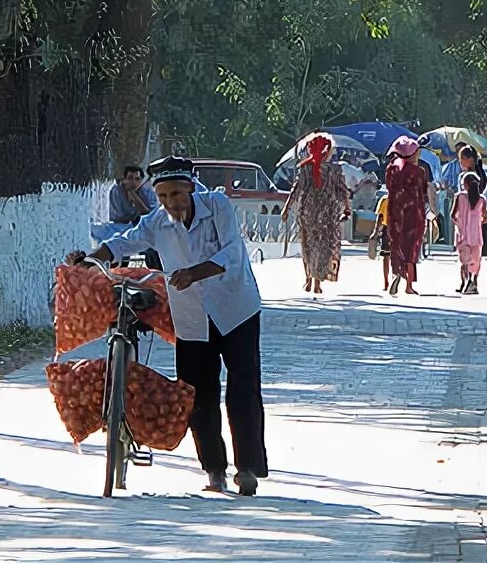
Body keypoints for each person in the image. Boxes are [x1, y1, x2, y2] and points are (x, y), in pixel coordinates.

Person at [66, 155, 267, 496]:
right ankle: (214, 470)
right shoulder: (157, 221)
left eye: (176, 195)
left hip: (236, 310)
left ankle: (247, 467)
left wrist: (195, 273)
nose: (171, 204)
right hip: (191, 319)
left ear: (191, 188)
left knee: (243, 387)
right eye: (163, 197)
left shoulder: (217, 205)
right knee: (196, 394)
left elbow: (233, 252)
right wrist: (90, 259)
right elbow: (124, 241)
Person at [281, 133, 351, 295]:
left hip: (307, 213)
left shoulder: (304, 167)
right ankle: (317, 282)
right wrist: (346, 208)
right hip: (328, 214)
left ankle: (308, 278)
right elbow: (342, 191)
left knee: (308, 245)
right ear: (328, 151)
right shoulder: (335, 170)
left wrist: (286, 208)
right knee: (324, 247)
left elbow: (296, 190)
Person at [385, 136, 428, 296]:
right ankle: (409, 285)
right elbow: (423, 191)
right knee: (412, 248)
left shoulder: (391, 169)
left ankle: (396, 274)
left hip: (395, 211)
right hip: (414, 213)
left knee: (396, 244)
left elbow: (389, 187)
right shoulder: (419, 172)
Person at [452, 172, 487, 295]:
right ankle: (474, 282)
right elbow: (485, 218)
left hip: (462, 235)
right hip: (476, 235)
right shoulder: (482, 199)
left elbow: (453, 215)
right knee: (476, 260)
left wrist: (460, 223)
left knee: (464, 262)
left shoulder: (459, 197)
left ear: (465, 185)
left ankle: (464, 283)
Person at [371, 191, 391, 291]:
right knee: (398, 257)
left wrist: (375, 231)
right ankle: (393, 278)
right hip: (398, 230)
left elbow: (380, 216)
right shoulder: (402, 198)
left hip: (387, 231)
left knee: (386, 258)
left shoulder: (385, 199)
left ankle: (386, 282)